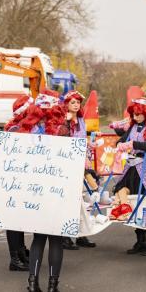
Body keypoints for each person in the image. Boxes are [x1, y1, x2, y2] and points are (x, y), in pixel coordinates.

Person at [19, 89, 66, 292]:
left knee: (38, 238)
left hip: (34, 191)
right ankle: (52, 287)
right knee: (55, 239)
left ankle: (32, 285)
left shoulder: (27, 130)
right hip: (57, 190)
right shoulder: (61, 130)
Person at [111, 98, 146, 256]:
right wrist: (120, 145)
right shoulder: (133, 125)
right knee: (132, 200)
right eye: (133, 114)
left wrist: (133, 145)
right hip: (132, 167)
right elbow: (122, 140)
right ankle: (140, 239)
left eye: (138, 114)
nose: (135, 117)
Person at [61, 90, 97, 250]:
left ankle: (82, 234)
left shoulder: (81, 120)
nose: (76, 105)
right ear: (66, 104)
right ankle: (65, 237)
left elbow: (82, 139)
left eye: (78, 102)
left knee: (83, 199)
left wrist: (89, 146)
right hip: (68, 163)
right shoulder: (63, 121)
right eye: (72, 102)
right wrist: (67, 123)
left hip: (82, 163)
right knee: (69, 200)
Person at [4, 95, 33, 271]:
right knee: (13, 221)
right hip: (14, 182)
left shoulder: (24, 128)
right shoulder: (15, 130)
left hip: (22, 182)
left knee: (20, 220)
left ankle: (21, 252)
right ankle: (14, 259)